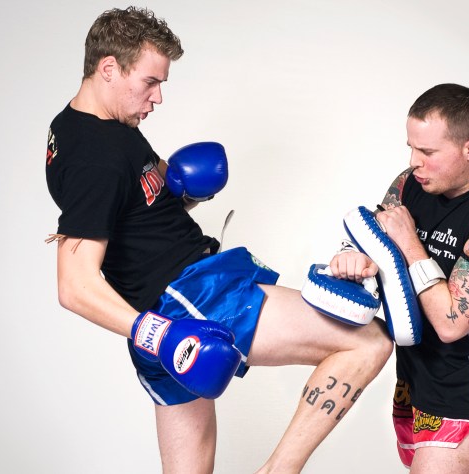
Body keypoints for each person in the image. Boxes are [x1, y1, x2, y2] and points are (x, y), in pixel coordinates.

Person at [44, 7, 392, 473]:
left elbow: (131, 213)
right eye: (150, 82)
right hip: (194, 299)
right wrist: (161, 334)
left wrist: (181, 193)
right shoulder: (95, 158)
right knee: (368, 342)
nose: (158, 97)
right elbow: (74, 285)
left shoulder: (78, 127)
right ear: (109, 68)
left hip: (167, 320)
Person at [329, 83, 469, 473]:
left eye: (427, 152)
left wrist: (410, 243)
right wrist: (352, 257)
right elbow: (373, 241)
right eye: (411, 147)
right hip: (414, 378)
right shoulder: (411, 184)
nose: (414, 162)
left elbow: (450, 323)